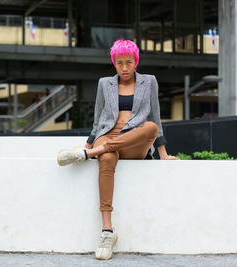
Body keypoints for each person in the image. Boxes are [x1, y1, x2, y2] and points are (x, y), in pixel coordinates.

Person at [56, 39, 179, 260]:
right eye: (119, 62)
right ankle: (107, 232)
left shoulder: (149, 82)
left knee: (149, 127)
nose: (124, 68)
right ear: (114, 62)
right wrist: (87, 143)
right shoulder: (105, 84)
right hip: (108, 135)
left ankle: (90, 154)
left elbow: (156, 119)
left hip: (135, 141)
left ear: (136, 62)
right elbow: (98, 121)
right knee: (107, 158)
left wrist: (163, 154)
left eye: (129, 62)